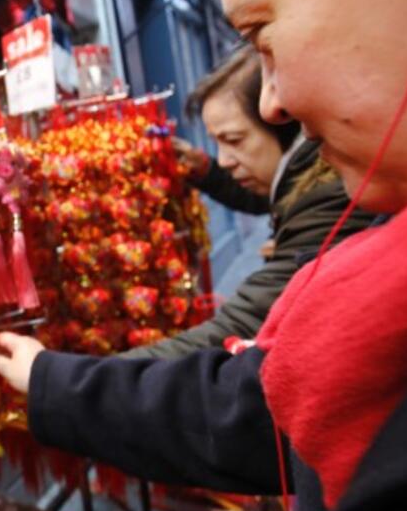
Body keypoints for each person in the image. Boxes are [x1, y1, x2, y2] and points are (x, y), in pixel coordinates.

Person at [0, 0, 407, 511]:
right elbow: (256, 396)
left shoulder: (361, 262)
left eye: (262, 36)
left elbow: (244, 399)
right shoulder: (382, 273)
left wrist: (57, 380)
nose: (274, 101)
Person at [123, 47, 374, 359]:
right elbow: (259, 197)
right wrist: (205, 171)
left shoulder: (331, 197)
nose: (224, 160)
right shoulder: (301, 177)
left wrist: (78, 378)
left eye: (234, 140)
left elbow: (244, 324)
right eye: (217, 143)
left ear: (282, 119)